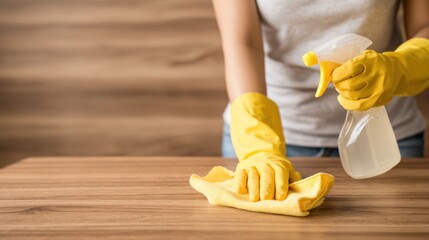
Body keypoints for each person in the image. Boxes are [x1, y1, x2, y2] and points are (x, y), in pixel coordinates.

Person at [212, 0, 429, 201]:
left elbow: (424, 26)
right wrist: (258, 146)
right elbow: (242, 43)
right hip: (270, 138)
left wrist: (398, 68)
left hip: (384, 137)